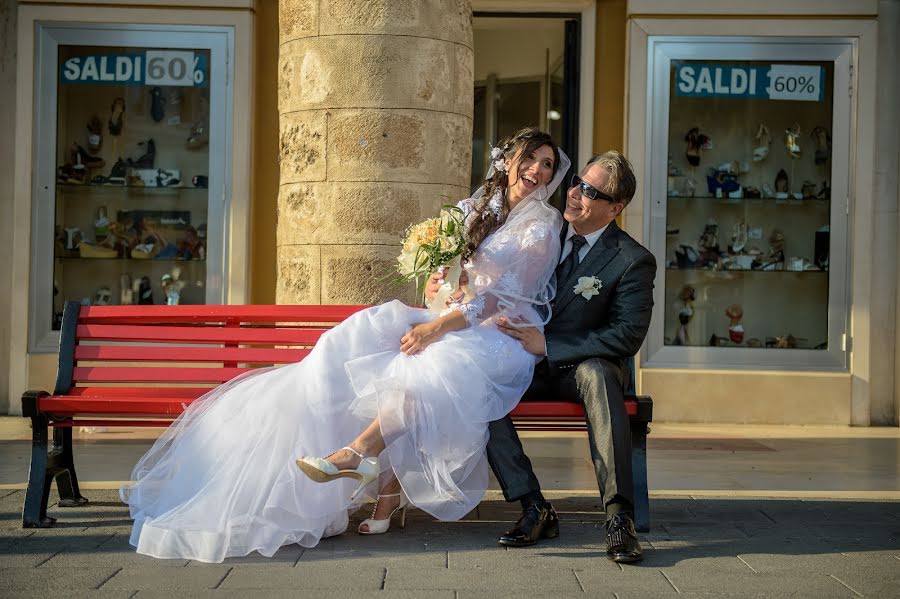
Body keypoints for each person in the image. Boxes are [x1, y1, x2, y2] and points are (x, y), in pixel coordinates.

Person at [119, 128, 571, 563]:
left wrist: (438, 327)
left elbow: (498, 298)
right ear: (508, 160)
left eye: (547, 164)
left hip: (502, 333)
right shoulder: (477, 206)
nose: (536, 169)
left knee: (429, 362)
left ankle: (358, 454)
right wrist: (441, 283)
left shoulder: (541, 227)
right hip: (456, 317)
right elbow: (457, 283)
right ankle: (381, 486)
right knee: (362, 331)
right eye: (529, 157)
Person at [426, 150, 655, 563]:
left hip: (577, 366)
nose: (574, 193)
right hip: (518, 360)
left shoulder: (632, 260)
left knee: (600, 374)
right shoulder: (542, 230)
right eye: (577, 183)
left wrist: (548, 346)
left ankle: (619, 518)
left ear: (615, 208)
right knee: (476, 378)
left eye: (590, 191)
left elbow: (626, 335)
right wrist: (454, 287)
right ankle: (535, 506)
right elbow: (494, 286)